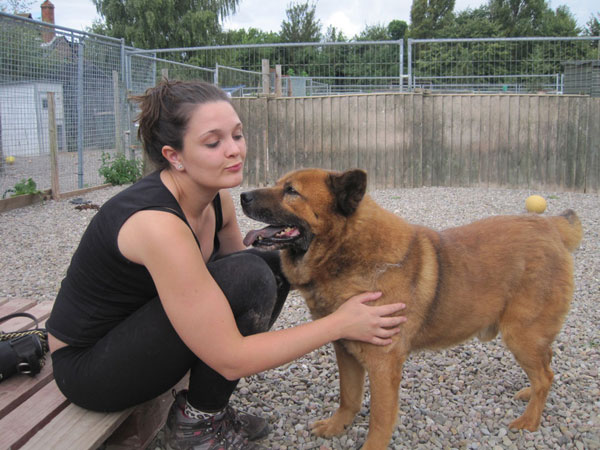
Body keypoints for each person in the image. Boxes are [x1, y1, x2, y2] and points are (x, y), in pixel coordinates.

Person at [46, 80, 407, 450]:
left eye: (237, 135)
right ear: (175, 156)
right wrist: (341, 323)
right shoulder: (156, 225)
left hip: (139, 329)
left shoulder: (218, 201)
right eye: (213, 142)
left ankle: (207, 412)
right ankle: (196, 427)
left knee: (268, 264)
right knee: (254, 273)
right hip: (90, 367)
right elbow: (233, 355)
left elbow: (246, 293)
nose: (234, 150)